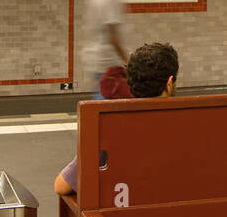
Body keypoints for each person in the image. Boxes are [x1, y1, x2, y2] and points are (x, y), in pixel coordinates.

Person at [54, 42, 178, 196]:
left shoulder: (110, 130)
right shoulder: (189, 126)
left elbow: (61, 186)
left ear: (130, 83)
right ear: (169, 83)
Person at [84, 0, 130, 99]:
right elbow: (113, 36)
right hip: (109, 60)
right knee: (108, 97)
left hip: (95, 58)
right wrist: (127, 61)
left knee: (102, 93)